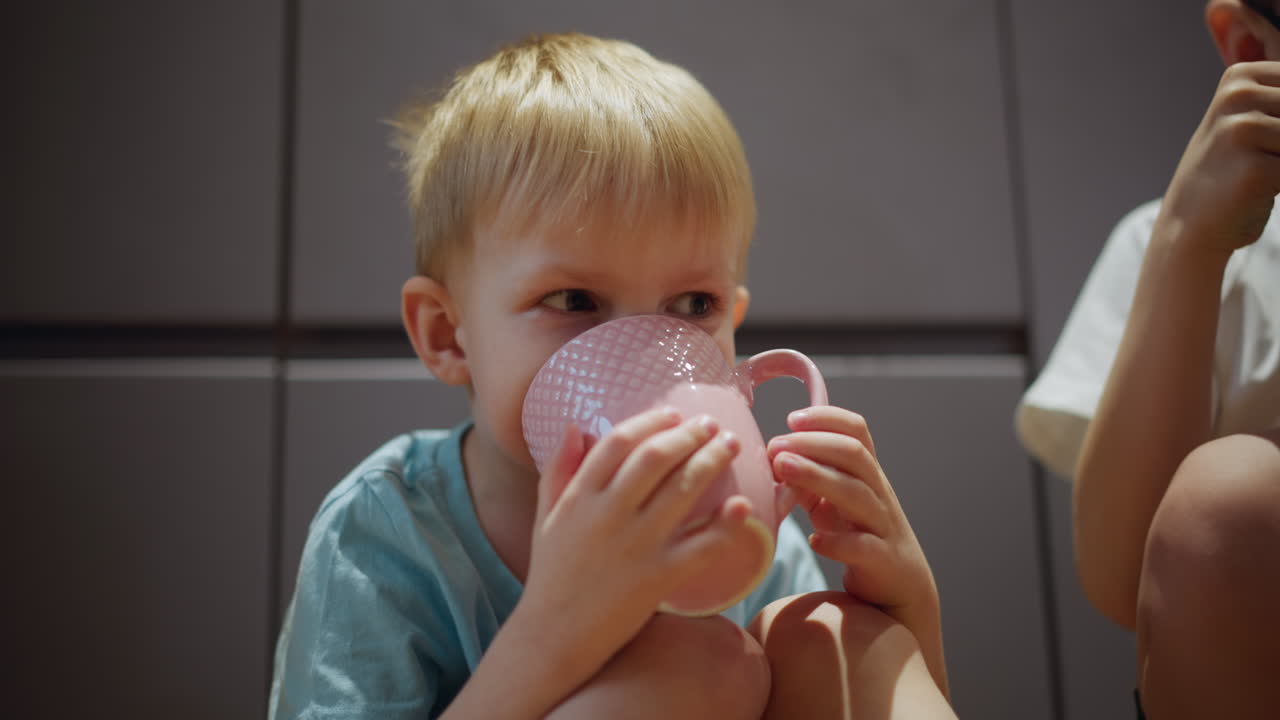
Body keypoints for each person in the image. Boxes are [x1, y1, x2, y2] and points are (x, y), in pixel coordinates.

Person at [269, 32, 954, 719]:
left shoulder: (736, 520)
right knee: (696, 664)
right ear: (448, 334)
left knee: (835, 638)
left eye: (693, 307)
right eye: (574, 302)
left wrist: (906, 608)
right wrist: (554, 633)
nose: (651, 356)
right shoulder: (387, 532)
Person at [1016, 1, 1280, 717]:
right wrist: (1186, 244)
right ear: (1252, 45)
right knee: (1227, 492)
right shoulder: (1186, 253)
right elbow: (1127, 579)